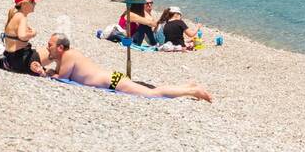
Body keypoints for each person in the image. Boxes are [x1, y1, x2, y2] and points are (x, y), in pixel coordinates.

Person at [42, 34, 211, 101]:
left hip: (113, 82)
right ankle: (187, 87)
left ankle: (191, 91)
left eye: (50, 45)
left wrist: (47, 73)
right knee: (153, 91)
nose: (47, 47)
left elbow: (62, 79)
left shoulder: (69, 55)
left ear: (60, 48)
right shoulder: (68, 56)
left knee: (154, 93)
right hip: (113, 80)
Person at [0, 0, 45, 75]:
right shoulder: (22, 17)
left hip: (9, 57)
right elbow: (22, 36)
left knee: (42, 52)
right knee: (52, 54)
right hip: (20, 59)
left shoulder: (15, 15)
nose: (35, 4)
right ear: (24, 4)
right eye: (32, 1)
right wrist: (33, 33)